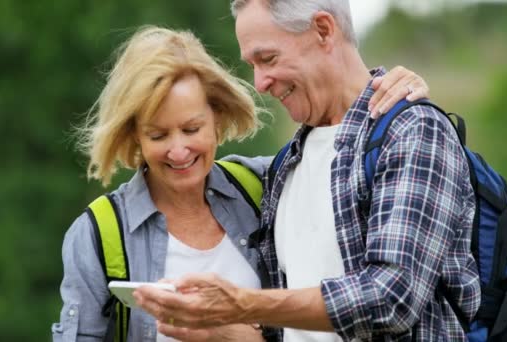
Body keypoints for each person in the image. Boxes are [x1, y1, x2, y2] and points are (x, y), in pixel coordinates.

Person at [51, 24, 429, 342]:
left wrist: (388, 86)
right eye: (158, 135)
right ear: (134, 135)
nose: (179, 150)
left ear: (217, 118)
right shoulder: (99, 235)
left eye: (191, 128)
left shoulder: (265, 185)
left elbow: (348, 155)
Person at [133, 1, 480, 342]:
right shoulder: (286, 165)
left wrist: (240, 304)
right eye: (252, 64)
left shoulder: (412, 131)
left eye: (267, 59)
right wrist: (223, 331)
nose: (260, 83)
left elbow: (392, 298)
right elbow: (295, 323)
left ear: (323, 30)